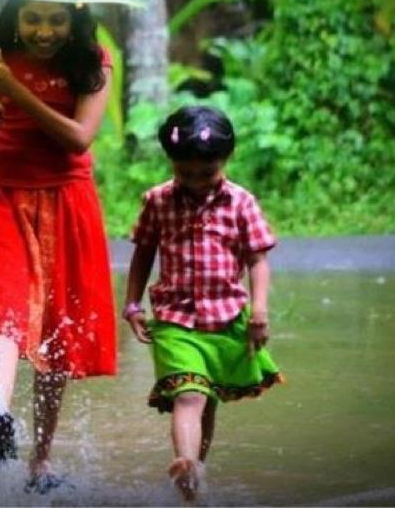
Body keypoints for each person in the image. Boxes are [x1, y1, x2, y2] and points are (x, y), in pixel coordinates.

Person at [0, 0, 117, 493]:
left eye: (56, 19)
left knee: (55, 331)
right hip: (4, 199)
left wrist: (14, 91)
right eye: (32, 18)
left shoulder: (92, 62)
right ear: (14, 17)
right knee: (4, 306)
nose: (44, 31)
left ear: (75, 20)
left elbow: (78, 138)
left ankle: (41, 460)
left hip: (66, 203)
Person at [122, 106, 284, 502]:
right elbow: (143, 253)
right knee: (189, 393)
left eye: (206, 173)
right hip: (175, 319)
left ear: (225, 161)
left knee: (207, 400)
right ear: (172, 164)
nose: (195, 182)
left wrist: (259, 311)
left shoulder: (241, 203)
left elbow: (257, 259)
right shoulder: (158, 201)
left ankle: (193, 476)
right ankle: (187, 461)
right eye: (184, 173)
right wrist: (132, 305)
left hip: (226, 319)